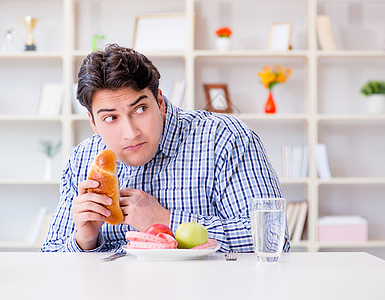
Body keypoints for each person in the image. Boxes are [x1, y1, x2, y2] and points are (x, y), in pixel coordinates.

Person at [41, 44, 290, 253]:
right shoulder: (83, 159)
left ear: (159, 101)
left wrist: (166, 220)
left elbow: (271, 239)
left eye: (139, 110)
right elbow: (51, 256)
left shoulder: (225, 139)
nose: (131, 133)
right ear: (93, 123)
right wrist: (84, 240)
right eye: (111, 118)